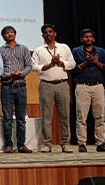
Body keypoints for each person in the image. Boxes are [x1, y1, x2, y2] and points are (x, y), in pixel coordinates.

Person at [32, 23, 75, 153]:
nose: (48, 34)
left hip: (62, 84)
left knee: (64, 115)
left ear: (55, 33)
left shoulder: (64, 47)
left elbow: (72, 64)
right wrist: (49, 65)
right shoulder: (39, 50)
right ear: (42, 35)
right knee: (46, 116)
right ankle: (47, 143)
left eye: (50, 32)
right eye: (45, 32)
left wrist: (60, 63)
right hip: (46, 84)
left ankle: (65, 143)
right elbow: (33, 66)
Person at [71, 29, 105, 152]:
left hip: (98, 86)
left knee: (100, 116)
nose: (88, 39)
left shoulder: (100, 51)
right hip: (82, 86)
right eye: (85, 37)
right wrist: (86, 62)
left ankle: (100, 143)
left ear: (93, 39)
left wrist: (96, 62)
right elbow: (73, 69)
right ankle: (82, 143)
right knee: (81, 117)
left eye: (90, 37)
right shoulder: (76, 51)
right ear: (81, 39)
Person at [0, 26, 33, 153]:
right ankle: (8, 145)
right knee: (7, 118)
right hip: (7, 87)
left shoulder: (23, 48)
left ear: (15, 34)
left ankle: (21, 145)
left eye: (12, 32)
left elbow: (29, 65)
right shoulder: (0, 51)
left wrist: (21, 73)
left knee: (21, 118)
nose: (10, 34)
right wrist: (9, 75)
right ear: (3, 36)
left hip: (21, 86)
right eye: (7, 33)